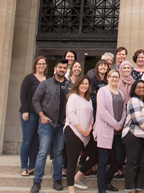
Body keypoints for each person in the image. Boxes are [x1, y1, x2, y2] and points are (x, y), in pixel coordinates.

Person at [31, 59, 71, 192]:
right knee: (42, 152)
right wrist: (41, 115)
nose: (62, 70)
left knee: (59, 152)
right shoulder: (46, 84)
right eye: (60, 67)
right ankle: (37, 182)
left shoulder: (69, 84)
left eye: (64, 68)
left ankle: (57, 180)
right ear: (55, 68)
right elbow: (35, 99)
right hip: (47, 123)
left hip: (61, 124)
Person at [95, 70, 126, 193]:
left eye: (116, 77)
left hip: (118, 131)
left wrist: (120, 124)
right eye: (112, 76)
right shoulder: (102, 91)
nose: (114, 79)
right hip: (106, 129)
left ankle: (107, 180)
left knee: (120, 158)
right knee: (103, 159)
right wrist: (115, 124)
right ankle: (101, 188)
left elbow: (124, 110)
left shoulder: (121, 93)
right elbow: (102, 111)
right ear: (107, 78)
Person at [64, 77, 98, 192]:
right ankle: (71, 188)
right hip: (73, 131)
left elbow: (91, 116)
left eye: (86, 84)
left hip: (86, 133)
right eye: (82, 83)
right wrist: (81, 129)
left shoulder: (88, 99)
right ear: (78, 84)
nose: (84, 86)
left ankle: (77, 178)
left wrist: (89, 128)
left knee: (94, 156)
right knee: (72, 161)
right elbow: (71, 115)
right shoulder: (73, 97)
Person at [122, 80, 144, 193]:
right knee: (132, 163)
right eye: (138, 87)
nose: (141, 89)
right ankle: (130, 189)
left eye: (143, 87)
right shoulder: (133, 100)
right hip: (133, 134)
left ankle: (138, 188)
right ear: (134, 90)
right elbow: (137, 119)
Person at [19, 56, 47, 176]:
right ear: (35, 65)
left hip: (41, 115)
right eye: (39, 64)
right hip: (29, 113)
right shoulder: (29, 78)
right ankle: (23, 166)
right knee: (27, 140)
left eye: (43, 64)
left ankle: (32, 166)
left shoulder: (48, 79)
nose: (41, 66)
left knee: (37, 141)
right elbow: (23, 94)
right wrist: (25, 110)